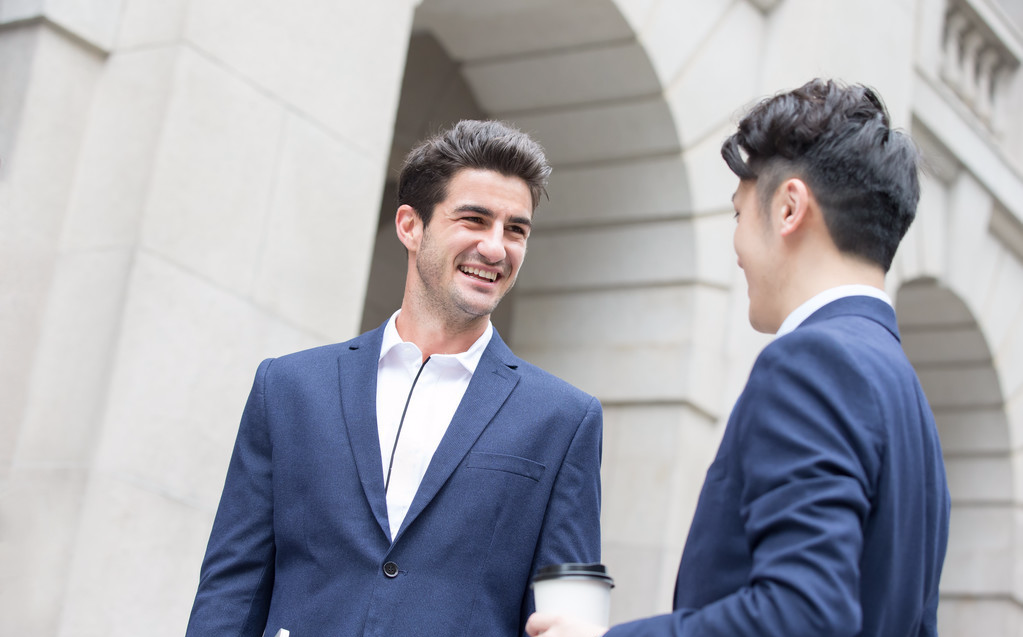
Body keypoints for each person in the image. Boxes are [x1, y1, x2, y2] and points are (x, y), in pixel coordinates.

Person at [527, 79, 950, 637]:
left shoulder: (814, 362)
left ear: (790, 207)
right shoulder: (909, 399)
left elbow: (804, 614)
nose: (737, 249)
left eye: (738, 214)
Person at [185, 119, 603, 637]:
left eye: (515, 229)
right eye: (474, 220)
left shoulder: (566, 418)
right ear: (410, 226)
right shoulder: (289, 387)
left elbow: (572, 618)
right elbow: (232, 587)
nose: (496, 248)